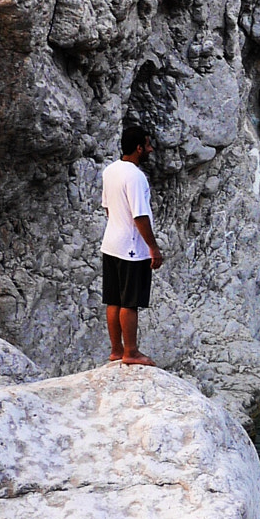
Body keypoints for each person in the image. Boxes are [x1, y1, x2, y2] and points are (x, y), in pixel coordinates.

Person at [100, 124, 164, 365]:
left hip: (111, 244)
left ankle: (116, 350)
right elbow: (140, 216)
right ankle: (131, 352)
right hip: (131, 249)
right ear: (138, 148)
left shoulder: (110, 170)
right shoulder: (135, 176)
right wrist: (153, 247)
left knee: (113, 300)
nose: (150, 149)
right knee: (130, 303)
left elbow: (107, 207)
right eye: (147, 145)